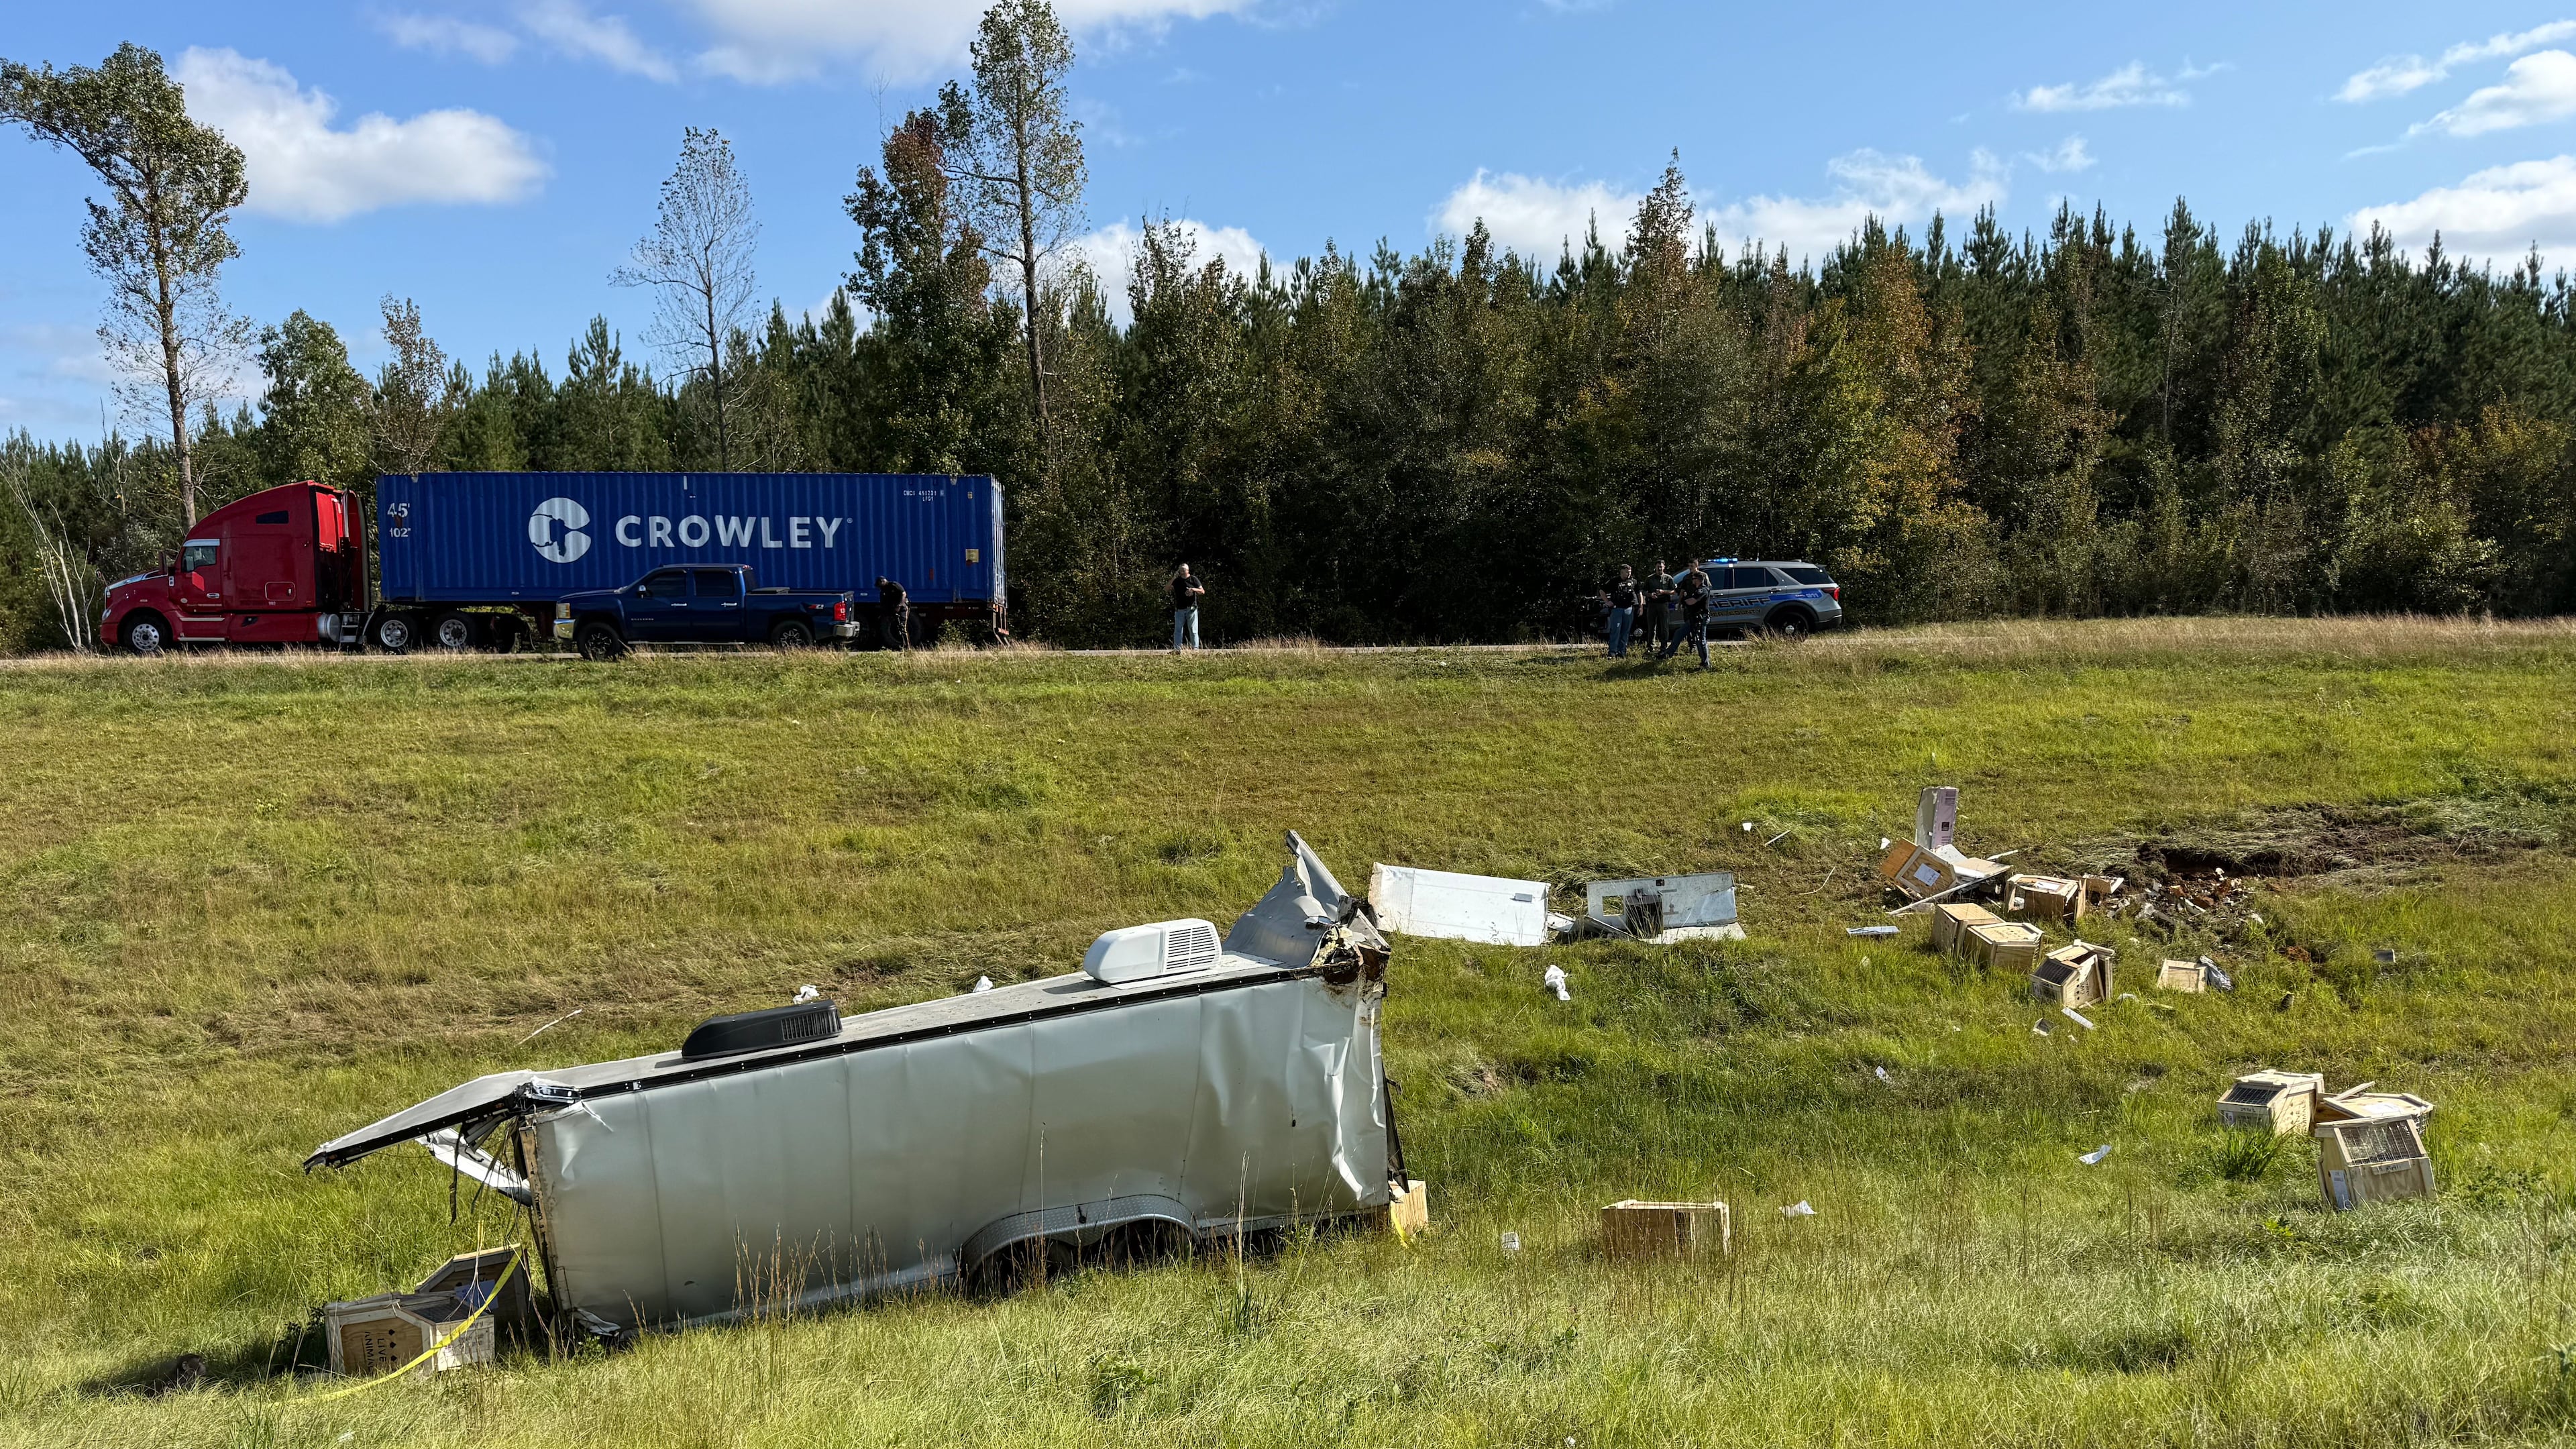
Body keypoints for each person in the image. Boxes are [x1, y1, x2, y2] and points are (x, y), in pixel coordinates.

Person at [1658, 559, 1711, 669]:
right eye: (1689, 566)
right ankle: (1668, 654)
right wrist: (1680, 603)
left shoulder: (1703, 583)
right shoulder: (1687, 578)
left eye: (1692, 566)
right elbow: (1681, 591)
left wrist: (1687, 599)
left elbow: (1695, 599)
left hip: (1700, 616)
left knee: (1700, 640)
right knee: (1680, 633)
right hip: (1692, 614)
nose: (1690, 568)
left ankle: (1705, 664)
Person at [1605, 566, 1639, 657]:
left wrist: (1640, 606)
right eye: (1627, 572)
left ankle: (1622, 652)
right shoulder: (1614, 581)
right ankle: (1612, 652)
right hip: (1617, 609)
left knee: (1625, 632)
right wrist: (1607, 602)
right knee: (1616, 630)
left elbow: (1639, 593)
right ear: (1622, 572)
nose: (1629, 574)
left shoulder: (1633, 581)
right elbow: (1602, 591)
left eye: (1630, 572)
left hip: (1629, 609)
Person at [1170, 564, 1205, 650]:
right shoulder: (1177, 581)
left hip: (1191, 609)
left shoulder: (1193, 579)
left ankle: (1195, 649)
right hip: (1179, 609)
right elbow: (1167, 588)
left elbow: (1202, 591)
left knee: (1193, 630)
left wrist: (1193, 589)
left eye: (1183, 570)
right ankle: (1177, 649)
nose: (1181, 572)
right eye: (1180, 570)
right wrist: (1173, 578)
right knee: (1178, 630)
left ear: (1187, 571)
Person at [1644, 560, 1676, 653]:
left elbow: (1673, 591)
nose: (1659, 568)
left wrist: (1663, 592)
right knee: (1651, 627)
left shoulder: (1668, 578)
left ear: (1664, 567)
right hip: (1652, 605)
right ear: (1655, 567)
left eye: (1661, 567)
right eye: (1658, 567)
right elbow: (1644, 591)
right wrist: (1650, 595)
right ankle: (1651, 647)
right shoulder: (1650, 579)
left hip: (1664, 604)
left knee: (1664, 627)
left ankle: (1664, 647)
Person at [875, 576, 910, 651]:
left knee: (902, 627)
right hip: (893, 610)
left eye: (879, 585)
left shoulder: (894, 585)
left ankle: (907, 647)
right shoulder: (883, 592)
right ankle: (902, 646)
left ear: (882, 582)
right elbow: (883, 604)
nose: (879, 587)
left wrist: (899, 606)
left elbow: (903, 594)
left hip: (902, 609)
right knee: (896, 628)